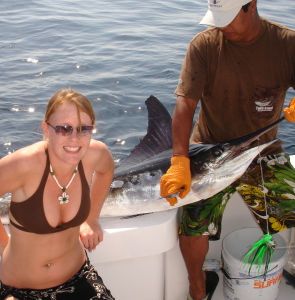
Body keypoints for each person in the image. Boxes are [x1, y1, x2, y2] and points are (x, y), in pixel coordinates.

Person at [160, 1, 295, 300]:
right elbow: (185, 105)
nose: (223, 26)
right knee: (193, 226)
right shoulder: (204, 45)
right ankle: (197, 288)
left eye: (230, 17)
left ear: (252, 6)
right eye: (217, 18)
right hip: (210, 153)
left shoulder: (287, 43)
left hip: (262, 151)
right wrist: (180, 159)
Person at [0, 89, 115, 300]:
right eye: (64, 129)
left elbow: (106, 171)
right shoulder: (24, 164)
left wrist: (91, 219)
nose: (74, 139)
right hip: (22, 290)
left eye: (84, 129)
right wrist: (3, 244)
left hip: (79, 276)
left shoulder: (96, 154)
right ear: (46, 130)